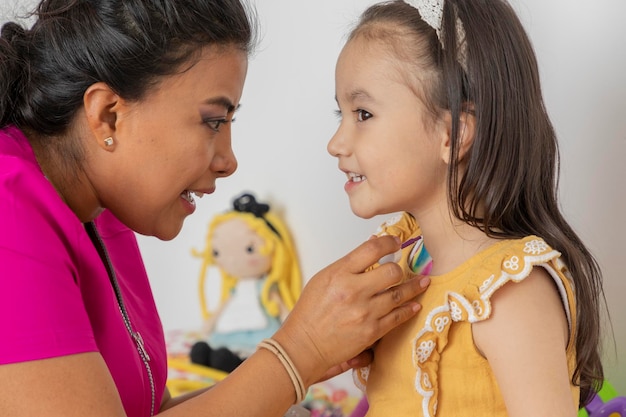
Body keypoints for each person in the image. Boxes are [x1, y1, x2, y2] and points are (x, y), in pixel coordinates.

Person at [0, 1, 431, 416]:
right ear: (108, 115)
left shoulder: (102, 213)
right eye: (213, 121)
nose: (228, 161)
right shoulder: (9, 214)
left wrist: (309, 358)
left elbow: (147, 408)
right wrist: (300, 351)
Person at [327, 1, 605, 416]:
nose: (336, 143)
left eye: (362, 114)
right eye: (340, 113)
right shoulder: (405, 265)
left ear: (452, 134)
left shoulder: (509, 292)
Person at [190, 192, 302, 372]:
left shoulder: (265, 287)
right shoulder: (234, 288)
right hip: (227, 333)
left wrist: (292, 330)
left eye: (250, 249)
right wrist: (209, 323)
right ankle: (212, 356)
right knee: (205, 350)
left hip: (258, 334)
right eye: (218, 253)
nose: (233, 261)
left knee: (248, 356)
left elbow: (283, 311)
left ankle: (236, 363)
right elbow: (222, 306)